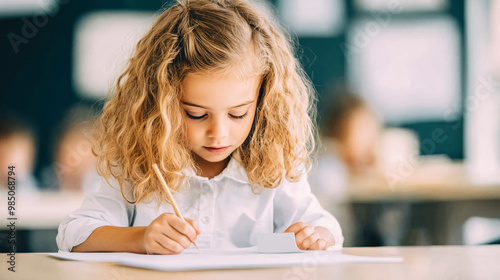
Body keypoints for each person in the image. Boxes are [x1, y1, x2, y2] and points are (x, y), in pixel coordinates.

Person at [56, 0, 343, 255]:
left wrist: (311, 237)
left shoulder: (274, 163)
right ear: (161, 104)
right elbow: (73, 233)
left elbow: (325, 228)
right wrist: (140, 238)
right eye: (195, 114)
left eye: (238, 114)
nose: (218, 133)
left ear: (263, 101)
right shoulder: (137, 161)